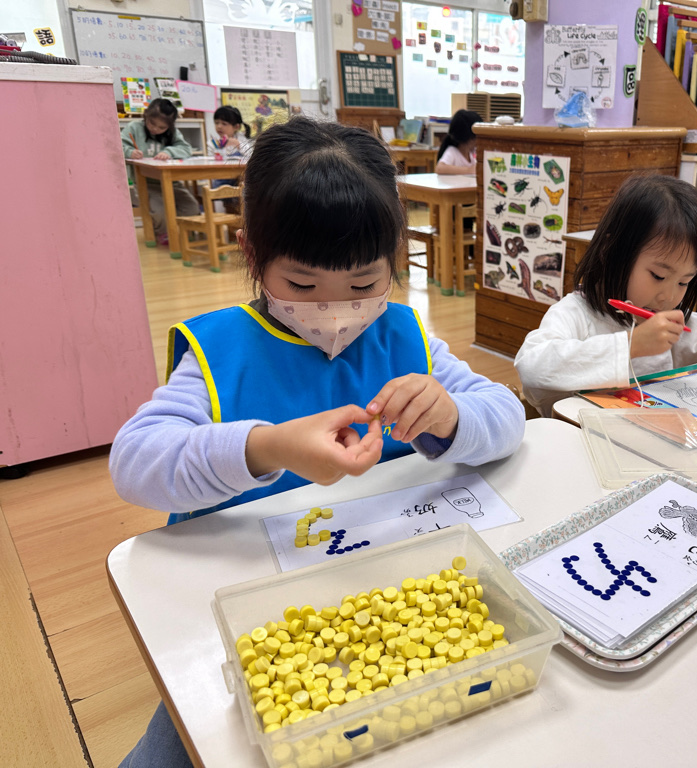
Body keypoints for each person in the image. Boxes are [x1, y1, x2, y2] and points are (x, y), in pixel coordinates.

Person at [111, 118, 525, 766]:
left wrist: (450, 417)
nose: (337, 310)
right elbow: (135, 462)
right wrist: (267, 447)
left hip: (389, 592)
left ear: (394, 256)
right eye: (302, 286)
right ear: (253, 254)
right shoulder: (221, 352)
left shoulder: (405, 336)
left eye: (363, 285)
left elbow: (507, 414)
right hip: (252, 610)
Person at [514, 174, 697, 418]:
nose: (668, 297)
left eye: (684, 282)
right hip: (578, 443)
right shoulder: (575, 313)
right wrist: (630, 346)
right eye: (658, 276)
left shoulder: (667, 318)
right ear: (612, 251)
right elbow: (532, 366)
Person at [121, 97, 200, 245]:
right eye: (152, 123)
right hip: (146, 184)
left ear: (169, 126)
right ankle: (163, 234)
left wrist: (169, 152)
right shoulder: (134, 128)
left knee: (191, 206)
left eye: (162, 127)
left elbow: (186, 149)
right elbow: (118, 145)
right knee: (159, 212)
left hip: (172, 182)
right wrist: (130, 152)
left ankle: (186, 232)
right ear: (146, 115)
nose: (155, 129)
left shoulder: (173, 133)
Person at [435, 109, 481, 175]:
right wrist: (468, 170)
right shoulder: (452, 152)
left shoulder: (472, 154)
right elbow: (439, 168)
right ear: (469, 138)